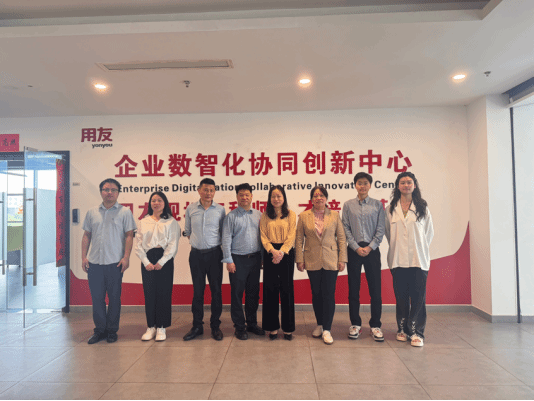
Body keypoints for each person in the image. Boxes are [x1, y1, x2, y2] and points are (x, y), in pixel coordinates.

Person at [82, 178, 137, 344]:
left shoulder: (125, 212)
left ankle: (112, 331)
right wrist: (84, 257)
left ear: (118, 193)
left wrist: (126, 257)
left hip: (115, 263)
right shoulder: (92, 212)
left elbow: (129, 236)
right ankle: (99, 331)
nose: (110, 193)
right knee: (97, 299)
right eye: (106, 189)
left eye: (113, 190)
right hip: (94, 263)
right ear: (101, 192)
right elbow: (86, 235)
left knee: (114, 299)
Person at [385, 172, 434, 348]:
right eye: (403, 182)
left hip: (418, 260)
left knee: (418, 298)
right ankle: (402, 329)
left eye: (409, 182)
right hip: (398, 259)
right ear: (398, 186)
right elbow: (388, 233)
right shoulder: (391, 208)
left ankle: (417, 332)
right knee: (401, 297)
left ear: (414, 185)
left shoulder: (422, 207)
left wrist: (418, 247)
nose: (406, 185)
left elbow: (428, 233)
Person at [296, 186, 347, 345]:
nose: (319, 198)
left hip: (331, 259)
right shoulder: (304, 216)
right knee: (316, 294)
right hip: (312, 259)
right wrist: (299, 259)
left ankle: (327, 329)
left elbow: (341, 238)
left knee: (329, 294)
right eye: (315, 195)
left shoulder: (334, 215)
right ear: (311, 199)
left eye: (322, 195)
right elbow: (299, 239)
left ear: (326, 198)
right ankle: (320, 324)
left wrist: (342, 259)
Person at [342, 172, 386, 342]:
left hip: (372, 251)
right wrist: (355, 247)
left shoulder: (377, 205)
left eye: (365, 183)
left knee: (375, 289)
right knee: (353, 289)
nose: (362, 186)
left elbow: (381, 229)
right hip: (354, 251)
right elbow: (345, 228)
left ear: (370, 185)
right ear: (355, 185)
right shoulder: (348, 205)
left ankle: (375, 325)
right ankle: (355, 324)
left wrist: (369, 247)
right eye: (359, 183)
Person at [183, 178, 226, 342]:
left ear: (214, 192)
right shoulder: (191, 209)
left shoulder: (220, 210)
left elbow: (223, 233)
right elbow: (188, 231)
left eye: (211, 190)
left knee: (216, 291)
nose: (208, 193)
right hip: (196, 256)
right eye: (205, 189)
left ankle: (215, 326)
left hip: (215, 255)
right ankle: (197, 326)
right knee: (198, 292)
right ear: (199, 190)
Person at [222, 183, 265, 341]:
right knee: (237, 294)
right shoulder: (231, 216)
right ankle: (239, 327)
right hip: (237, 260)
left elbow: (263, 238)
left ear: (252, 196)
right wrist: (229, 260)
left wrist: (262, 258)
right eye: (241, 195)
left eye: (247, 194)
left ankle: (252, 323)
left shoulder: (259, 215)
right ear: (237, 197)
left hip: (255, 259)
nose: (244, 197)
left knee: (253, 293)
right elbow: (226, 239)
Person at [136, 192, 180, 342]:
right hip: (147, 258)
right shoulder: (143, 221)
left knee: (164, 293)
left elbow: (173, 244)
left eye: (159, 200)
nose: (156, 203)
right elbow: (138, 244)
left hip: (165, 259)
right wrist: (146, 262)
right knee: (149, 293)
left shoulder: (171, 222)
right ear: (150, 203)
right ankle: (151, 327)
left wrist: (162, 261)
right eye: (153, 200)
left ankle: (161, 327)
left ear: (165, 203)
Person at [260, 185, 297, 341]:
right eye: (273, 196)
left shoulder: (291, 214)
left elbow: (292, 235)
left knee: (287, 290)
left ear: (284, 198)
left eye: (279, 196)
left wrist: (281, 252)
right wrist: (272, 251)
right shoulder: (265, 215)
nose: (276, 199)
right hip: (270, 254)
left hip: (286, 254)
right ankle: (272, 327)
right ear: (270, 199)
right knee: (270, 290)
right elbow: (263, 235)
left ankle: (288, 328)